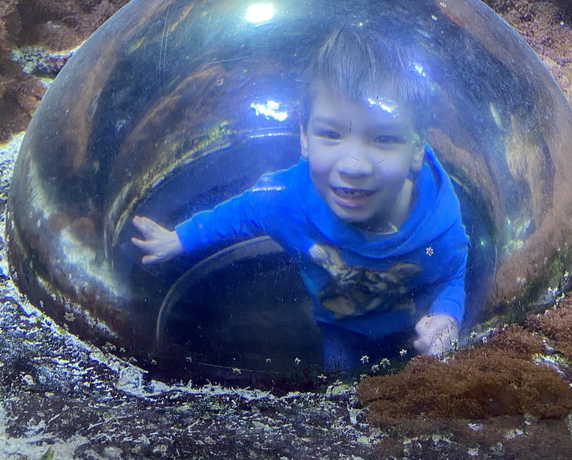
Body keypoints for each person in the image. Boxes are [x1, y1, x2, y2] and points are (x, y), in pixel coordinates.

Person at [132, 26, 469, 373]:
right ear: (304, 137)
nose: (353, 166)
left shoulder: (437, 227)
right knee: (337, 386)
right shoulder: (287, 200)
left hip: (408, 331)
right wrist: (179, 238)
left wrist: (447, 317)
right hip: (336, 326)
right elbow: (241, 211)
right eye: (331, 134)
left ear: (417, 149)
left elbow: (452, 275)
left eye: (383, 138)